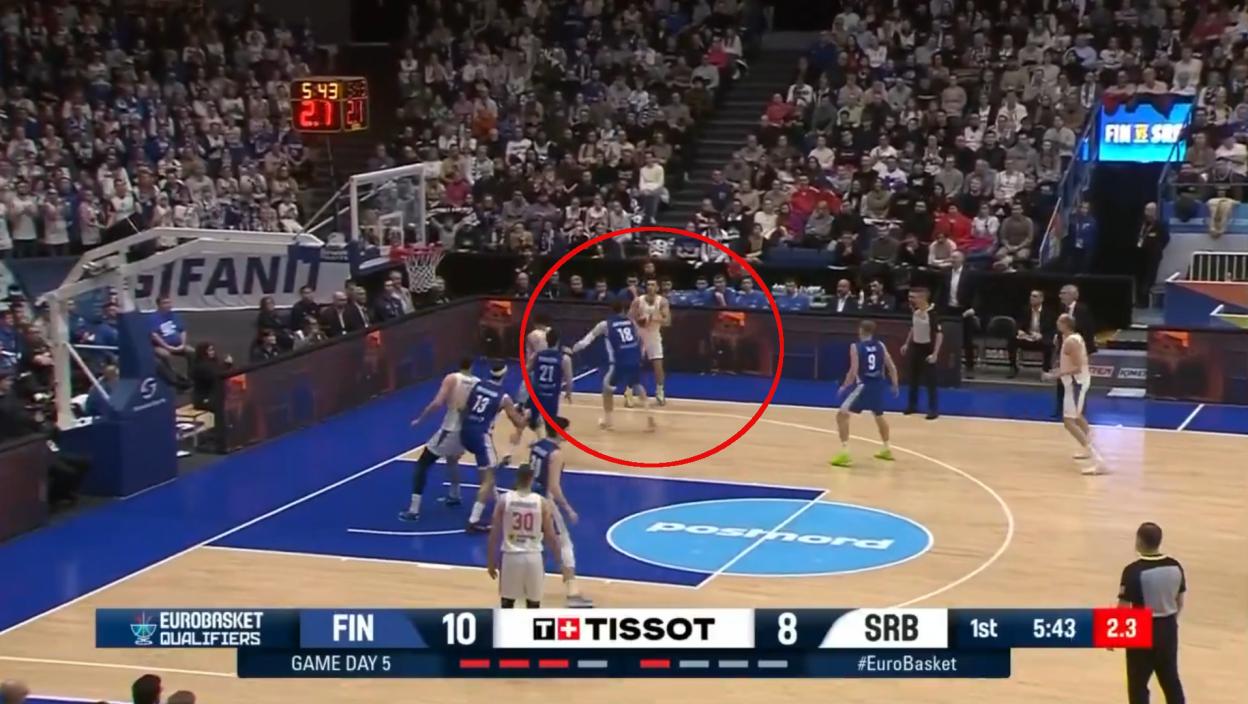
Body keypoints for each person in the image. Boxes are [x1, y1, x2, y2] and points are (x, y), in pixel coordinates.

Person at [400, 358, 478, 521]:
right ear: (472, 366)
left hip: (450, 429)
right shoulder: (478, 383)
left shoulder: (452, 378)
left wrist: (420, 419)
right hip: (467, 431)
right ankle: (455, 495)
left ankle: (414, 509)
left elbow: (437, 403)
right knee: (452, 459)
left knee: (422, 464)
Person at [1119, 522, 1186, 704]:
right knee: (1170, 680)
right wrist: (1168, 622)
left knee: (1138, 685)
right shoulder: (1175, 566)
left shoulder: (1132, 571)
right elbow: (1179, 601)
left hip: (1142, 629)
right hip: (1168, 628)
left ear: (1139, 541)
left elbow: (1123, 608)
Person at [528, 416, 592, 606]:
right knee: (564, 543)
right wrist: (568, 508)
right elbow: (554, 486)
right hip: (544, 502)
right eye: (566, 430)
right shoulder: (555, 454)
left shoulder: (536, 446)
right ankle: (572, 592)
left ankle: (531, 587)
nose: (568, 434)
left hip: (529, 498)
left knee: (537, 544)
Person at [461, 360, 527, 531]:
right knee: (488, 479)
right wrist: (527, 416)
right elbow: (518, 422)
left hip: (465, 431)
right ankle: (473, 520)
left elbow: (465, 408)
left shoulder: (477, 386)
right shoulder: (503, 397)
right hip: (481, 436)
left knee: (487, 472)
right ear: (505, 374)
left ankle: (498, 504)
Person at [571, 299, 656, 431]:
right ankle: (649, 418)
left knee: (607, 389)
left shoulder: (605, 325)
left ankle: (608, 422)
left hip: (618, 362)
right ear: (623, 310)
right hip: (634, 359)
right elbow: (640, 339)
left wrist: (573, 349)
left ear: (610, 310)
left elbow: (586, 341)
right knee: (638, 385)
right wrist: (641, 355)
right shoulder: (631, 322)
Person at [485, 463, 561, 608]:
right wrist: (559, 558)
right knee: (533, 604)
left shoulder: (504, 500)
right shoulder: (542, 502)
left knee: (507, 603)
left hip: (511, 557)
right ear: (531, 479)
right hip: (533, 557)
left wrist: (490, 561)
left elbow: (494, 534)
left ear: (517, 478)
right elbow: (551, 535)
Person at [830, 320, 899, 467]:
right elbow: (891, 366)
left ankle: (845, 452)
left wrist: (844, 386)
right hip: (878, 385)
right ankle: (887, 448)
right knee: (879, 415)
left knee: (842, 415)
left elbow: (853, 371)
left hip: (863, 386)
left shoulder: (855, 347)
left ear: (860, 330)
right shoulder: (880, 345)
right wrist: (895, 384)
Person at [1042, 314, 1101, 474]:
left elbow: (1077, 367)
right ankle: (1089, 447)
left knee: (1069, 421)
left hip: (1076, 383)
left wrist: (1054, 375)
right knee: (1078, 417)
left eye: (1059, 321)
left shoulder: (1070, 342)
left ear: (1065, 324)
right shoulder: (1075, 338)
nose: (1056, 323)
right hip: (1076, 382)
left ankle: (1098, 459)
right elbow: (1071, 364)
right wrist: (1057, 371)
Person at [524, 328, 573, 439]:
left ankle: (544, 437)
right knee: (550, 425)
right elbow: (569, 379)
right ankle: (558, 430)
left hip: (538, 392)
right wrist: (568, 392)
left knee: (532, 421)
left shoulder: (538, 355)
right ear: (558, 341)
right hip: (551, 395)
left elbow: (526, 370)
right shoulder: (564, 358)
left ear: (546, 340)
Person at [629, 277, 671, 406]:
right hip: (638, 335)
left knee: (658, 365)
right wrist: (638, 320)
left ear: (657, 288)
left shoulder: (662, 301)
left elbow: (667, 321)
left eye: (653, 285)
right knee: (632, 364)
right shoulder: (638, 301)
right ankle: (629, 392)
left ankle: (660, 392)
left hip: (653, 335)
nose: (650, 287)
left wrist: (652, 318)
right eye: (648, 285)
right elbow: (629, 317)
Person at [901, 288, 941, 419]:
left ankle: (933, 409)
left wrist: (935, 353)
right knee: (913, 378)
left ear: (922, 298)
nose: (911, 300)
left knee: (930, 381)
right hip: (915, 346)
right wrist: (907, 343)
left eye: (914, 297)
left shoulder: (932, 313)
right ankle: (912, 405)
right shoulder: (916, 312)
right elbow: (913, 328)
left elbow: (939, 334)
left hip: (927, 348)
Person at [1009, 289, 1056, 377]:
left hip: (1041, 339)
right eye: (1031, 296)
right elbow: (1018, 324)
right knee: (1012, 341)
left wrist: (1041, 335)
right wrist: (1019, 331)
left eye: (1034, 296)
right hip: (1027, 337)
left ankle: (1046, 371)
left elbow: (1053, 329)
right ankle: (1013, 368)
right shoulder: (1025, 310)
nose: (1031, 298)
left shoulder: (1049, 312)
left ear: (1041, 299)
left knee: (1049, 344)